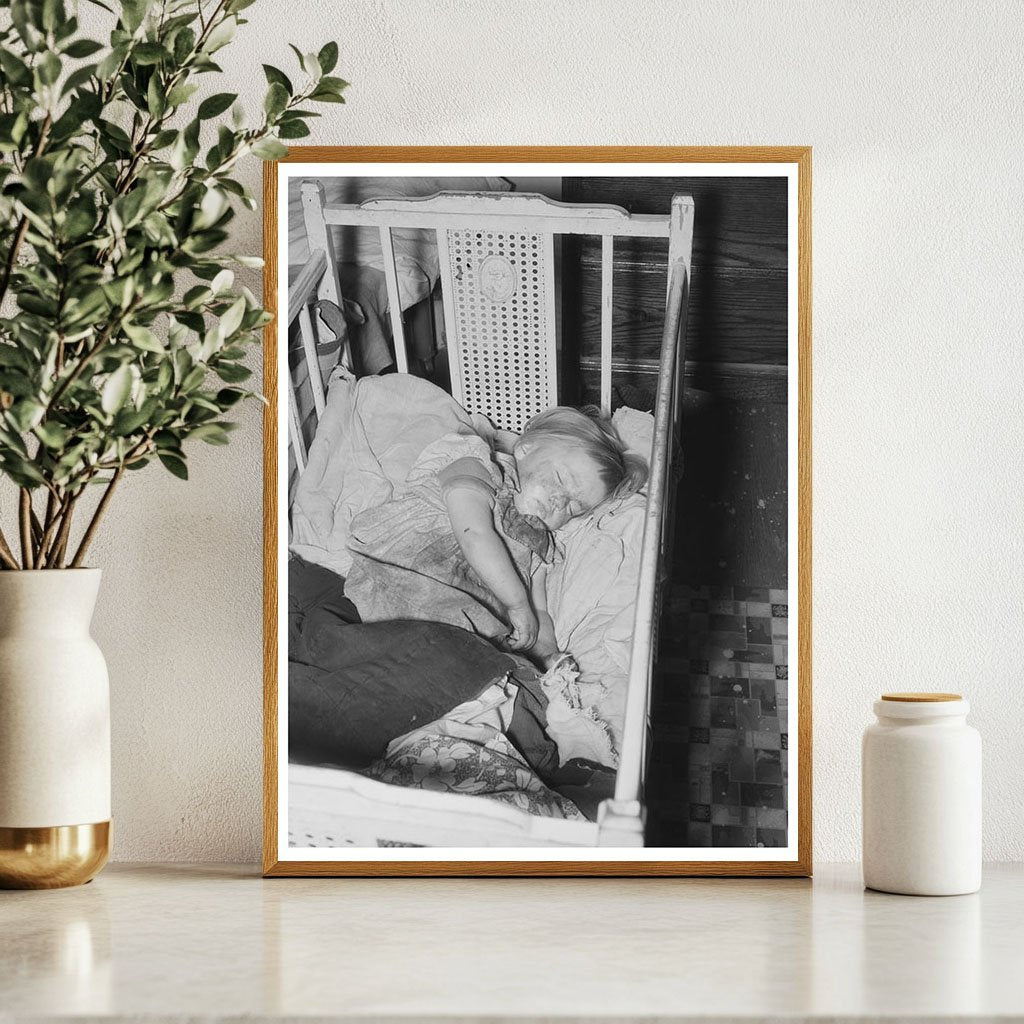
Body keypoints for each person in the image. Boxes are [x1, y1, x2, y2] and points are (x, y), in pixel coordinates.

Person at [440, 406, 647, 662]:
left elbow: (538, 610)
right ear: (526, 448)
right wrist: (517, 604)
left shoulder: (539, 541)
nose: (560, 501)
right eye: (561, 479)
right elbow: (473, 534)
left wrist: (549, 656)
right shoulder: (479, 465)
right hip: (404, 578)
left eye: (574, 507)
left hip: (457, 632)